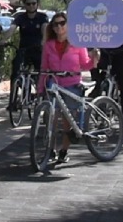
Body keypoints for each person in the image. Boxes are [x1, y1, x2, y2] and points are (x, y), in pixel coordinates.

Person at [39, 12, 99, 164]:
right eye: (55, 24)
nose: (59, 27)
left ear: (68, 25)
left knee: (67, 120)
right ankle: (50, 149)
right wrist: (40, 89)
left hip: (71, 84)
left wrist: (94, 59)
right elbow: (44, 68)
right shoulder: (48, 45)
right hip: (53, 84)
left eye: (62, 23)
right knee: (51, 118)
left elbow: (85, 64)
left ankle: (64, 151)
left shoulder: (77, 43)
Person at [90, 32, 123, 129]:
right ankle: (97, 86)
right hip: (104, 54)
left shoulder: (120, 19)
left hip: (121, 55)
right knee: (95, 69)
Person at [9, 0, 49, 112]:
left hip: (37, 49)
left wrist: (43, 42)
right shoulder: (20, 17)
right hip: (24, 49)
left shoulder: (42, 17)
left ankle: (42, 96)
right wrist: (3, 40)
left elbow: (45, 29)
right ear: (25, 5)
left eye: (33, 3)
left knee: (41, 73)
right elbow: (12, 29)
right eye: (28, 4)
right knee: (16, 72)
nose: (31, 6)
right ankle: (13, 100)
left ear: (37, 4)